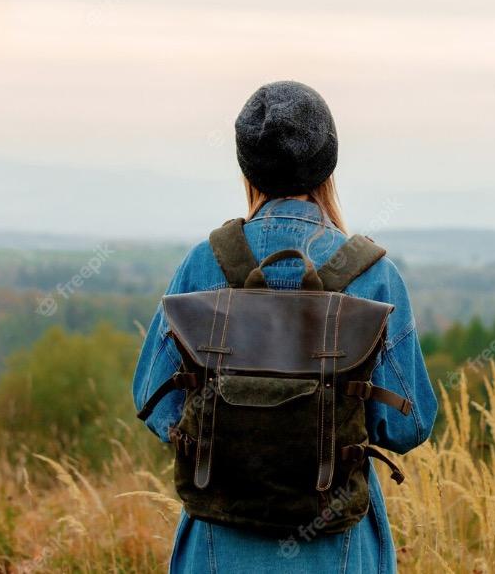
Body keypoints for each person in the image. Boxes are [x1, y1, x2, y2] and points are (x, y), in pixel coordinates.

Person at [132, 80, 438, 573]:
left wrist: (236, 442)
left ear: (246, 167)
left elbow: (153, 395)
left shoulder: (203, 264)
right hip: (333, 542)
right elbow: (409, 424)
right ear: (328, 165)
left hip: (217, 541)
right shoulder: (372, 274)